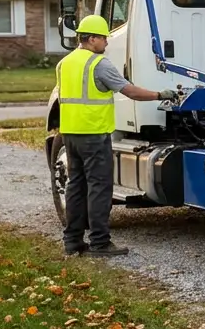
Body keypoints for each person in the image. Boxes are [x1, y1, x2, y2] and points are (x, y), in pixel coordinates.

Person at [57, 15, 177, 257]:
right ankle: (100, 243)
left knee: (75, 187)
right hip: (94, 134)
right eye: (103, 38)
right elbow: (130, 91)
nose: (107, 43)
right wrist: (160, 94)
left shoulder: (65, 63)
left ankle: (72, 242)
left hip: (70, 134)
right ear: (91, 39)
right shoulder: (98, 64)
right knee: (100, 188)